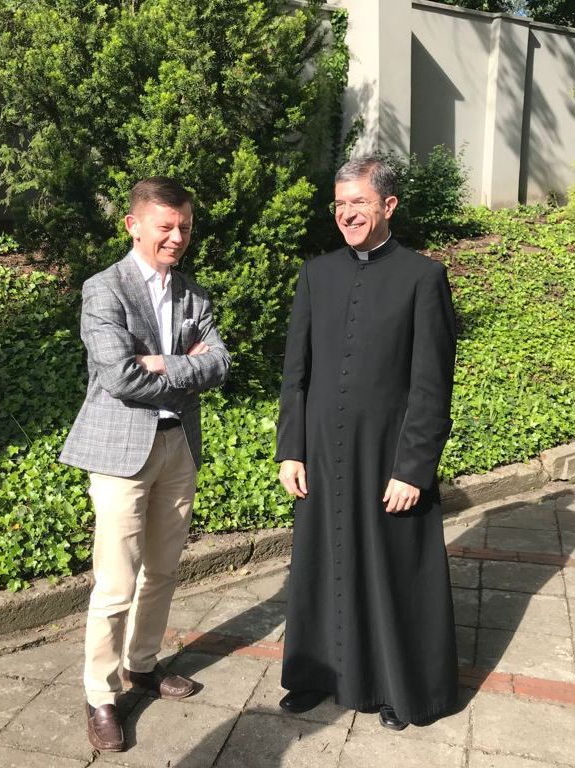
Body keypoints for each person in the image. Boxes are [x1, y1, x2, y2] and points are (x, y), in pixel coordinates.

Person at [276, 157, 457, 730]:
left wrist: (414, 467)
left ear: (388, 206)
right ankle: (316, 675)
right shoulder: (316, 274)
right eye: (339, 204)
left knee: (392, 570)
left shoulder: (423, 277)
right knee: (320, 564)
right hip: (322, 457)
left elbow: (432, 384)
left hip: (387, 457)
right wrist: (291, 449)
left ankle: (399, 688)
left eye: (358, 202)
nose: (347, 213)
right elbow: (296, 372)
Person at [60, 176, 230, 751]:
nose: (177, 237)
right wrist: (183, 366)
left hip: (177, 445)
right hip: (121, 453)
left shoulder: (193, 294)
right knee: (116, 582)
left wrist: (161, 362)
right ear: (134, 225)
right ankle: (101, 695)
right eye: (166, 226)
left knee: (162, 569)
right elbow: (120, 377)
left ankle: (142, 663)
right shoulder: (104, 290)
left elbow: (221, 362)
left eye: (185, 226)